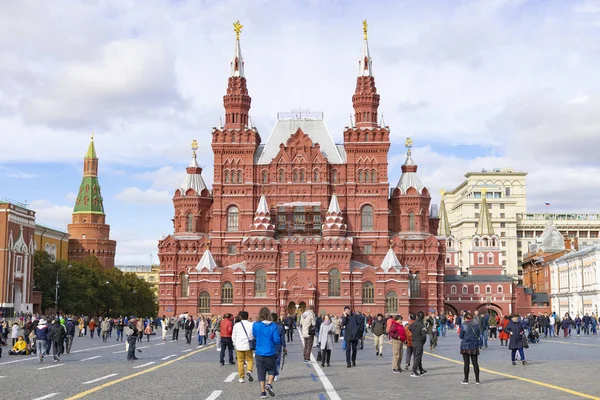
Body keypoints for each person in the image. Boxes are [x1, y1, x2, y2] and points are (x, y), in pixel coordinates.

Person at [252, 307, 280, 399]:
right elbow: (277, 339)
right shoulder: (273, 325)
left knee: (261, 372)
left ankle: (263, 392)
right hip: (270, 352)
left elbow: (255, 336)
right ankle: (269, 384)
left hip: (259, 352)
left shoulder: (256, 325)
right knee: (272, 370)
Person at [232, 311, 254, 383]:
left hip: (239, 346)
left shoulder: (236, 325)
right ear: (247, 316)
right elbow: (253, 335)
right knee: (250, 359)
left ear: (240, 317)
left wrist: (235, 344)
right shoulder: (251, 324)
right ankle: (249, 371)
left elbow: (234, 336)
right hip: (248, 345)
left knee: (240, 362)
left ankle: (241, 378)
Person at [459, 312, 480, 384]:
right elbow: (478, 334)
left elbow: (461, 336)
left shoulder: (463, 325)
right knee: (475, 363)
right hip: (474, 345)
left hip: (465, 345)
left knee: (466, 363)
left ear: (465, 318)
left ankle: (466, 379)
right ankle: (477, 380)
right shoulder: (476, 325)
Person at [408, 311, 427, 377]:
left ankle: (421, 369)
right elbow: (424, 335)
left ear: (417, 316)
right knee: (418, 357)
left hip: (414, 341)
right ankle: (414, 371)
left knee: (416, 356)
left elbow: (409, 328)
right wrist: (423, 341)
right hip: (419, 342)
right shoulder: (422, 325)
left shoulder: (413, 323)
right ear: (423, 317)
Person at [272, 313, 287, 380]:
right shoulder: (280, 327)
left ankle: (271, 374)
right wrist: (284, 346)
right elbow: (283, 338)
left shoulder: (267, 327)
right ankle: (276, 375)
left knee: (270, 360)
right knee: (277, 361)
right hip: (278, 346)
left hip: (270, 346)